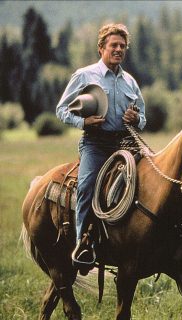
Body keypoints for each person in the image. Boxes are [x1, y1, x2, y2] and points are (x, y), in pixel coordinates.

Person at [56, 23, 146, 267]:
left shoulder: (130, 82)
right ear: (101, 48)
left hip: (125, 143)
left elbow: (144, 118)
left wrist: (135, 119)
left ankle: (140, 238)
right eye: (113, 45)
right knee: (86, 186)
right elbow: (61, 110)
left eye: (122, 46)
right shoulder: (84, 75)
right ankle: (82, 244)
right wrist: (83, 121)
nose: (118, 49)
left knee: (150, 182)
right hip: (95, 143)